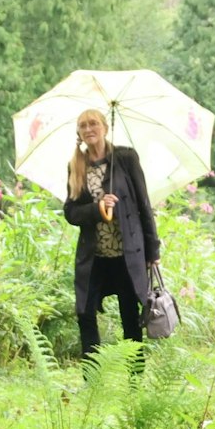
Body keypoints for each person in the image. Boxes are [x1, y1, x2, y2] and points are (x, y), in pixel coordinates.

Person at [63, 109, 160, 358]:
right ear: (79, 133)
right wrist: (98, 208)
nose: (88, 129)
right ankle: (93, 380)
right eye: (83, 125)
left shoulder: (125, 158)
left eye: (93, 123)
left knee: (129, 316)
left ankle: (134, 381)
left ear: (105, 127)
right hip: (94, 256)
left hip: (127, 255)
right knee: (84, 313)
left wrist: (153, 250)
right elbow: (71, 212)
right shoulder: (76, 165)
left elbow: (143, 204)